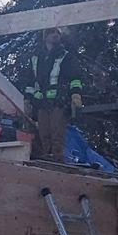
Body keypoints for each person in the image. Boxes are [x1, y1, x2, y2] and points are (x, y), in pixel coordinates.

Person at [23, 26, 83, 163]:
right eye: (51, 32)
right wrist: (28, 99)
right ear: (45, 37)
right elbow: (30, 81)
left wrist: (76, 96)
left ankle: (57, 162)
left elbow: (75, 78)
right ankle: (47, 161)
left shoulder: (65, 56)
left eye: (57, 32)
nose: (55, 35)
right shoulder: (36, 58)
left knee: (57, 136)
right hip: (42, 104)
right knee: (44, 135)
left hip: (59, 102)